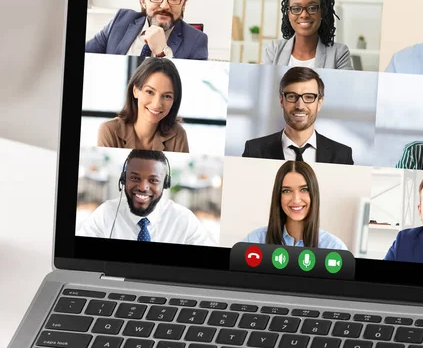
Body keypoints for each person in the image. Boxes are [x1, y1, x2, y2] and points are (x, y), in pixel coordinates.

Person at [77, 150, 216, 245]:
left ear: (165, 184)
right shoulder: (105, 213)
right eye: (135, 178)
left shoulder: (184, 219)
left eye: (153, 180)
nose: (143, 187)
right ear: (123, 179)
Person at [86, 0, 209, 60]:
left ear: (183, 3)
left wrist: (162, 52)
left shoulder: (197, 40)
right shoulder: (120, 20)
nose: (165, 6)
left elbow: (188, 86)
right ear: (143, 1)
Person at [242, 66, 353, 164]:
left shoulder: (342, 156)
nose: (300, 105)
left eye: (309, 97)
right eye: (292, 96)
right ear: (281, 101)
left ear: (319, 103)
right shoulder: (254, 151)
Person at [242, 161, 346, 249]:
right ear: (278, 196)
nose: (296, 200)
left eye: (304, 189)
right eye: (287, 191)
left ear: (314, 194)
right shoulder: (255, 241)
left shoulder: (334, 247)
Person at [97, 57, 189, 152]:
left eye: (167, 96)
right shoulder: (109, 130)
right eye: (149, 92)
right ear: (135, 90)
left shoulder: (178, 135)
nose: (157, 104)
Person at [263, 0, 353, 70]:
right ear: (289, 14)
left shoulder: (339, 53)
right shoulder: (274, 50)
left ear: (322, 12)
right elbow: (264, 84)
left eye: (312, 8)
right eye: (296, 8)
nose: (304, 15)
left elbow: (345, 85)